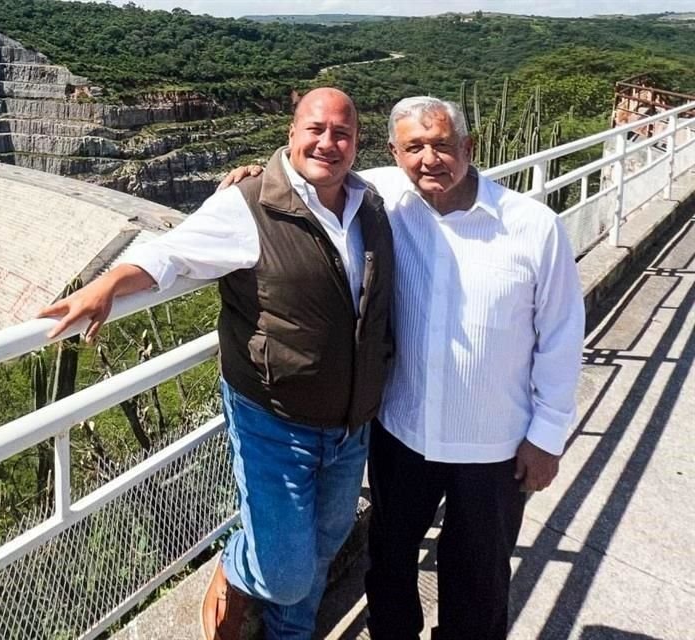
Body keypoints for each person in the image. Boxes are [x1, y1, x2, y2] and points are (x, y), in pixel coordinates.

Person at [220, 96, 584, 640]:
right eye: (414, 147)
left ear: (469, 147)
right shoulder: (382, 199)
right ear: (394, 153)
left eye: (442, 144)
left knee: (478, 579)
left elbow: (561, 335)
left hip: (494, 445)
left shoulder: (533, 226)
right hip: (402, 434)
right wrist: (254, 177)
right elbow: (313, 169)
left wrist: (548, 436)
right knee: (389, 561)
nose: (429, 158)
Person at [38, 87, 395, 640]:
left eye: (342, 134)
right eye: (316, 130)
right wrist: (109, 282)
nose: (328, 143)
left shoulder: (370, 201)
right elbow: (171, 252)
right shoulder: (247, 204)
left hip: (349, 424)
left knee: (328, 541)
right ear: (291, 134)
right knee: (284, 570)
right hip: (274, 418)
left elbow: (431, 181)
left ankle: (290, 635)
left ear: (357, 143)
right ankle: (236, 563)